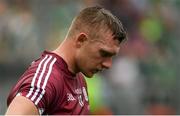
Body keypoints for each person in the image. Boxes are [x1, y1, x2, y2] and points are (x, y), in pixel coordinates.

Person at [5, 6, 127, 115]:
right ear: (81, 40)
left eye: (112, 56)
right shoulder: (47, 79)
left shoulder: (79, 78)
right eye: (104, 53)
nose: (108, 64)